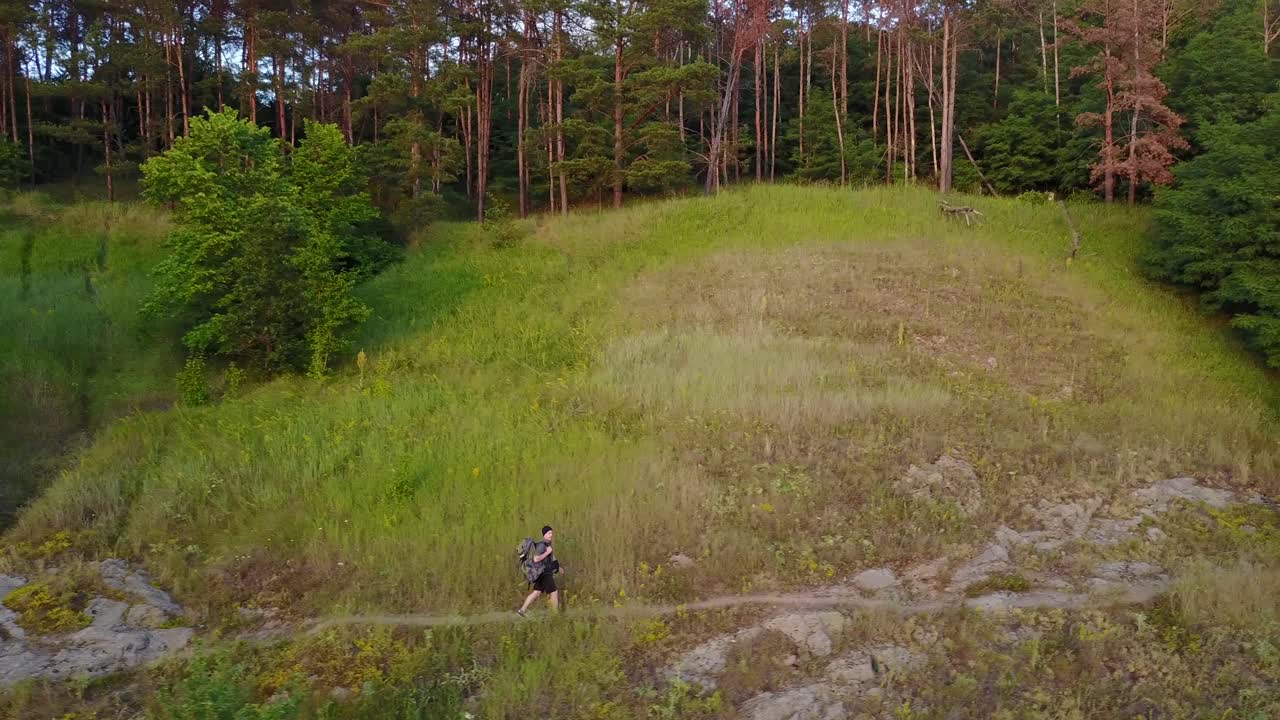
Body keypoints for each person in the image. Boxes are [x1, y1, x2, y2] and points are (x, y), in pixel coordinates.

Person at [517, 525, 563, 616]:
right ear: (544, 534)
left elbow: (551, 559)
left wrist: (559, 568)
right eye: (549, 533)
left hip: (542, 573)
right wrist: (547, 552)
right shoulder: (542, 545)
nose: (551, 535)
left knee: (536, 592)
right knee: (554, 592)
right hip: (544, 573)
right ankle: (555, 615)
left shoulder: (547, 544)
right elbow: (536, 559)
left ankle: (521, 611)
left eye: (552, 533)